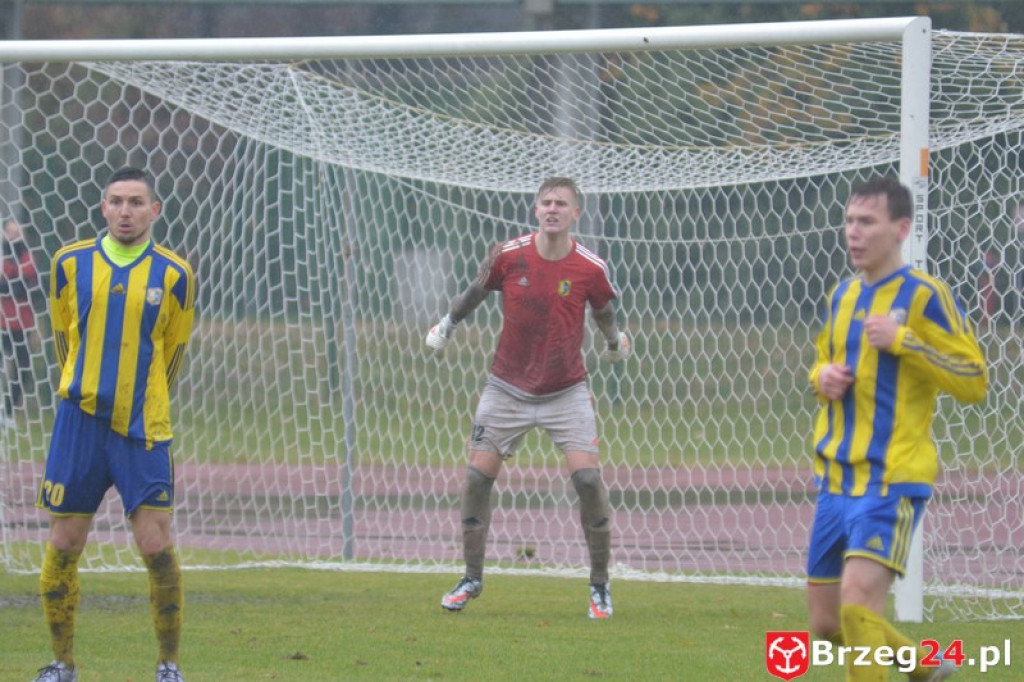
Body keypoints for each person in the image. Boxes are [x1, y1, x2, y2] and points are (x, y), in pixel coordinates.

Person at [806, 177, 987, 681]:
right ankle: (921, 669)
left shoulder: (926, 296)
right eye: (849, 221)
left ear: (901, 228)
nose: (853, 233)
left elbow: (975, 379)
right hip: (837, 479)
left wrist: (905, 340)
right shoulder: (841, 295)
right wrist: (821, 378)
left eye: (866, 222)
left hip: (893, 476)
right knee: (827, 623)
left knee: (859, 598)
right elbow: (822, 360)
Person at [426, 177, 630, 620]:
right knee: (478, 478)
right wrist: (447, 325)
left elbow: (603, 308)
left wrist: (614, 340)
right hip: (506, 387)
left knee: (589, 482)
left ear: (576, 213)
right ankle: (471, 577)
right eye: (546, 202)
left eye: (562, 203)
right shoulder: (508, 255)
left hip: (566, 390)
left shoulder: (589, 267)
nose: (552, 209)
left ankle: (599, 586)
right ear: (535, 210)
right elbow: (476, 291)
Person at [31, 167, 196, 682]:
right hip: (78, 423)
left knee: (155, 544)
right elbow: (64, 339)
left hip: (142, 428)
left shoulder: (175, 275)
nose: (125, 211)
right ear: (103, 208)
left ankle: (168, 665)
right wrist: (83, 390)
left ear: (155, 210)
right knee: (64, 544)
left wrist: (142, 401)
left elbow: (173, 353)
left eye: (136, 202)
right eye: (116, 201)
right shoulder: (69, 263)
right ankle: (63, 665)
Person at [0, 217, 39, 427]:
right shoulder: (3, 257)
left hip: (22, 323)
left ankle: (7, 412)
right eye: (11, 233)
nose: (14, 237)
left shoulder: (27, 257)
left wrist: (15, 286)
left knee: (22, 369)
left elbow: (30, 286)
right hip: (2, 321)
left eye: (18, 233)